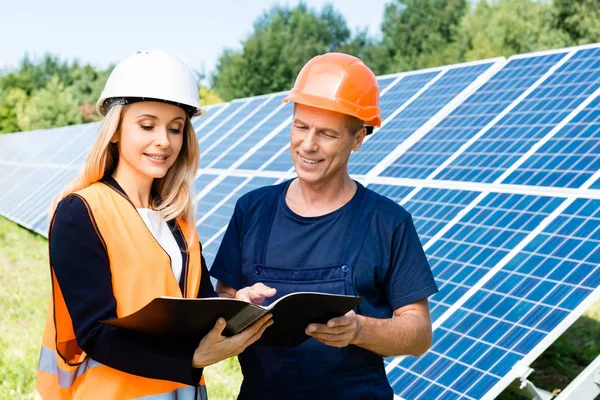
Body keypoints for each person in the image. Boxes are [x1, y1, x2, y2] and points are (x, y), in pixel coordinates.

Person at [35, 49, 273, 400]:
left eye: (175, 128)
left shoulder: (177, 219)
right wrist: (192, 359)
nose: (164, 140)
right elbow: (95, 333)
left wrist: (238, 304)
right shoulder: (81, 211)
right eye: (147, 125)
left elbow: (198, 305)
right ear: (115, 131)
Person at [210, 52, 439, 399]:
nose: (308, 144)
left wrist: (359, 329)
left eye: (327, 133)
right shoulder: (251, 210)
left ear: (358, 137)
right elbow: (222, 299)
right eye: (300, 126)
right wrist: (237, 304)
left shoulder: (388, 222)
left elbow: (419, 333)